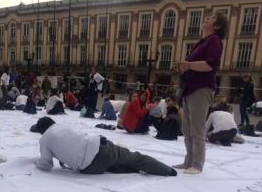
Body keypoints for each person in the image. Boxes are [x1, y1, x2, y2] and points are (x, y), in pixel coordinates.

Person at [31, 117, 177, 176]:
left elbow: (46, 165)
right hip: (101, 148)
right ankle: (168, 171)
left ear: (41, 131)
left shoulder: (44, 139)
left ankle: (125, 168)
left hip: (90, 168)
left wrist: (36, 163)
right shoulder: (63, 125)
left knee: (111, 165)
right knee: (135, 158)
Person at [176, 11, 228, 174]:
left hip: (201, 88)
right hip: (190, 88)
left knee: (197, 128)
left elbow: (211, 65)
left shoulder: (214, 40)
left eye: (211, 17)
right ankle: (189, 161)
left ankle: (197, 164)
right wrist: (185, 67)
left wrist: (189, 65)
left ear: (217, 26)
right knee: (187, 128)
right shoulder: (202, 42)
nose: (207, 17)